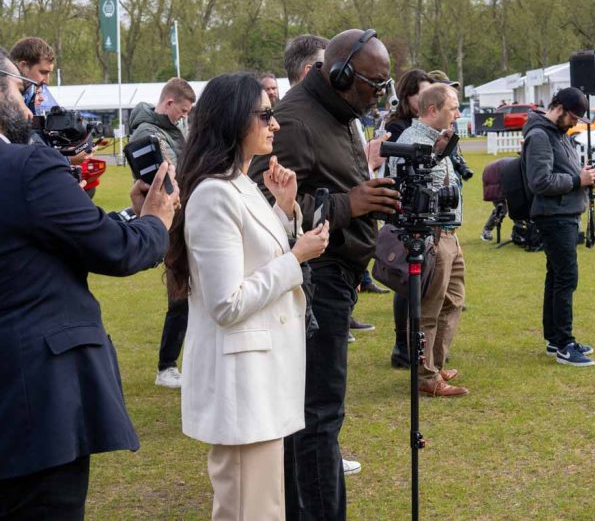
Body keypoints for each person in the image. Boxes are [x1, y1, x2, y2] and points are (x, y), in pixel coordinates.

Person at [0, 37, 177, 520]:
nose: (30, 102)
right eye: (22, 85)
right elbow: (116, 252)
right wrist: (156, 220)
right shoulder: (26, 165)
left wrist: (130, 213)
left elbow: (38, 245)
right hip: (41, 404)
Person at [164, 73, 330, 521]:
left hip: (262, 377)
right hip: (242, 384)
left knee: (266, 506)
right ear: (234, 120)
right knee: (248, 510)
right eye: (264, 114)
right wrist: (297, 257)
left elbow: (259, 255)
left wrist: (284, 207)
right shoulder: (213, 194)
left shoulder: (240, 182)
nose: (274, 123)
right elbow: (225, 302)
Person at [250, 29, 400, 521]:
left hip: (336, 277)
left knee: (319, 414)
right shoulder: (293, 121)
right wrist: (348, 203)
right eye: (374, 85)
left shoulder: (337, 113)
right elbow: (260, 206)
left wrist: (365, 191)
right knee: (318, 416)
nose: (380, 95)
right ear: (338, 75)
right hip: (315, 281)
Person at [389, 84, 469, 397]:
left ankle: (434, 363)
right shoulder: (412, 143)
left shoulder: (440, 140)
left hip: (449, 232)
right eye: (453, 107)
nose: (458, 114)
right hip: (431, 236)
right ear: (432, 109)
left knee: (454, 300)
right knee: (429, 308)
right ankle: (426, 376)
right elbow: (406, 193)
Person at [522, 87, 595, 368]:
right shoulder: (540, 135)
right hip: (554, 216)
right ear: (558, 108)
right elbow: (540, 181)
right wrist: (576, 181)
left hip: (564, 213)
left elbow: (566, 173)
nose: (575, 123)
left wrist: (587, 178)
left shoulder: (557, 134)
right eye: (573, 117)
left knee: (556, 277)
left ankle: (556, 339)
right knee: (566, 279)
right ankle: (565, 345)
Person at [127, 78, 197, 389]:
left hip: (185, 217)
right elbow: (163, 179)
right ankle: (166, 366)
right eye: (181, 111)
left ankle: (184, 361)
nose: (184, 117)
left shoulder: (169, 130)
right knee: (180, 293)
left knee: (193, 293)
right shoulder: (148, 134)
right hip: (172, 221)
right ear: (168, 103)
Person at [383, 68, 433, 368]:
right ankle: (403, 345)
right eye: (421, 95)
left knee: (419, 278)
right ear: (407, 96)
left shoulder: (417, 125)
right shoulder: (399, 128)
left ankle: (413, 344)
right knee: (406, 279)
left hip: (418, 207)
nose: (427, 101)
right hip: (402, 208)